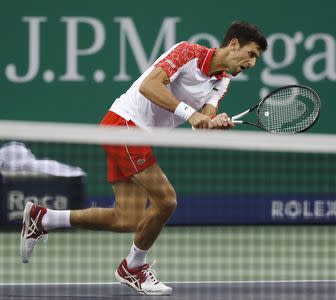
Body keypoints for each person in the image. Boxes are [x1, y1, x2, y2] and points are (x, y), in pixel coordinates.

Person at [20, 20, 267, 296]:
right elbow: (149, 86)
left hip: (138, 136)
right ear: (234, 44)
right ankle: (133, 268)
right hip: (124, 124)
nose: (252, 63)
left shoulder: (222, 82)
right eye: (252, 54)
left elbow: (202, 122)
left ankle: (44, 219)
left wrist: (214, 121)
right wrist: (192, 114)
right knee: (167, 200)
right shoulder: (188, 53)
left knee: (126, 218)